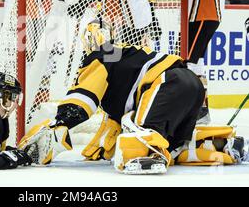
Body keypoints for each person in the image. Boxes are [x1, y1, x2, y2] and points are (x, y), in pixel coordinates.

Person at [18, 19, 248, 174]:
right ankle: (221, 145)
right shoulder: (127, 57)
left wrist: (60, 122)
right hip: (190, 85)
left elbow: (82, 100)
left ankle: (145, 157)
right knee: (174, 145)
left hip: (167, 84)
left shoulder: (101, 56)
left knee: (139, 133)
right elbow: (112, 125)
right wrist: (96, 151)